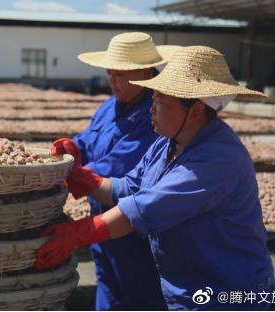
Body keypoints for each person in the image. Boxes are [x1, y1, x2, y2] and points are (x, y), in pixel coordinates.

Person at [37, 45, 274, 310]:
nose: (151, 107)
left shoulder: (218, 159)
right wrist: (84, 178)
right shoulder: (168, 142)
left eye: (160, 99)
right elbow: (130, 187)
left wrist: (77, 233)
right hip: (188, 281)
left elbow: (143, 209)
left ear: (194, 110)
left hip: (224, 289)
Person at [52, 32, 179, 310]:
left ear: (144, 72)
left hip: (132, 229)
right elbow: (88, 142)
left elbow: (118, 166)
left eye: (120, 75)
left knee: (140, 294)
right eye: (110, 73)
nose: (112, 81)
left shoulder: (156, 114)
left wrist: (69, 173)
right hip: (100, 216)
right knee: (108, 288)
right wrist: (72, 148)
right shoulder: (109, 106)